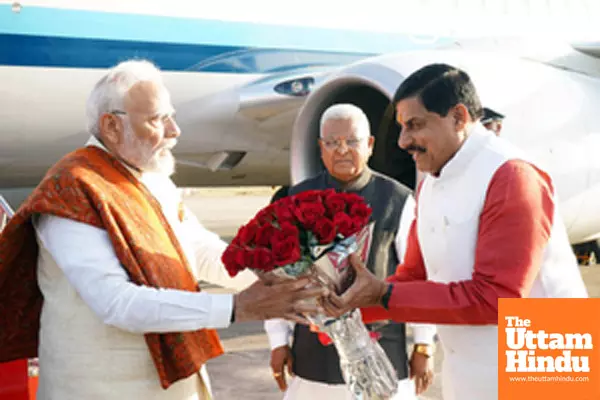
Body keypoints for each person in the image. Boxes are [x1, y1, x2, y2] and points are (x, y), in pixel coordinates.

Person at [0, 60, 325, 400]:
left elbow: (200, 251)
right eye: (157, 119)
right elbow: (117, 303)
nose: (174, 130)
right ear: (111, 126)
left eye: (171, 115)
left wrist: (286, 281)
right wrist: (236, 307)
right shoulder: (71, 191)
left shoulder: (151, 179)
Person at [323, 64, 589, 400]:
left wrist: (381, 296)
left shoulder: (511, 176)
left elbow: (498, 298)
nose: (404, 141)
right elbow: (416, 276)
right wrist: (345, 308)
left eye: (415, 126)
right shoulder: (433, 179)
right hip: (471, 367)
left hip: (543, 367)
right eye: (403, 128)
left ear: (459, 117)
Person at [264, 103, 437, 399]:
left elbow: (421, 278)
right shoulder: (295, 199)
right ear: (321, 148)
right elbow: (280, 283)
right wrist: (278, 341)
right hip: (313, 362)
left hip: (382, 355)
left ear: (369, 145)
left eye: (352, 141)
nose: (342, 150)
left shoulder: (398, 201)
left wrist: (424, 344)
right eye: (332, 142)